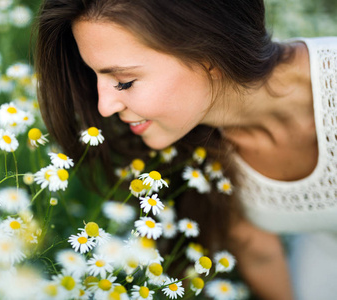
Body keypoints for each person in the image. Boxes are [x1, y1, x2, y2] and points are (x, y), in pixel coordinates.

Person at [33, 0, 337, 299]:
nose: (104, 107)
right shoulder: (196, 146)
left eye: (124, 82)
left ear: (209, 55)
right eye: (94, 76)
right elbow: (258, 252)